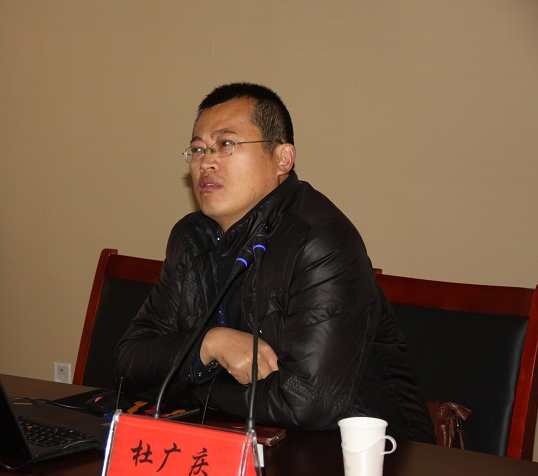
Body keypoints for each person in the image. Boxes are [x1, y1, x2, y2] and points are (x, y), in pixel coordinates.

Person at [115, 82, 434, 442]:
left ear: (282, 159)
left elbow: (308, 403)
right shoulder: (191, 238)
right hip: (248, 441)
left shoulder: (320, 241)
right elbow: (129, 361)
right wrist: (209, 343)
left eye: (226, 144)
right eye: (198, 149)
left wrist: (194, 387)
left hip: (368, 455)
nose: (207, 161)